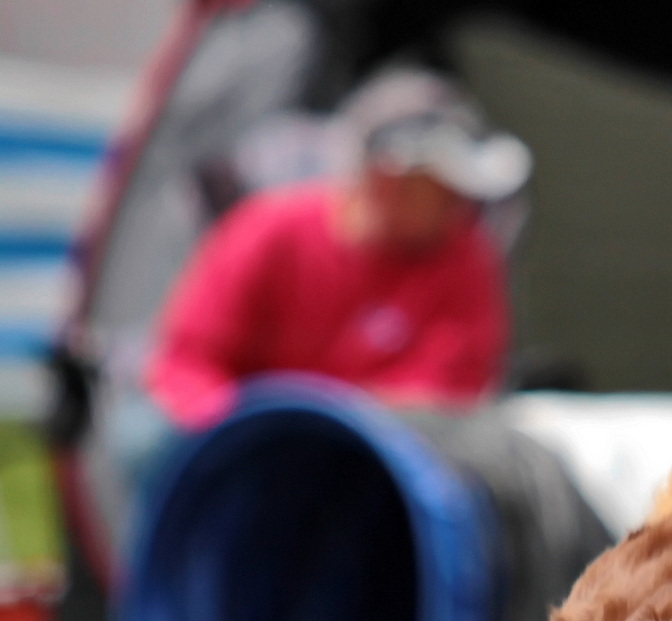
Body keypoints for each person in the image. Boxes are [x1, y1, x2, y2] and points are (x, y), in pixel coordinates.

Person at [141, 70, 526, 431]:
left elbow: (447, 391)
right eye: (442, 186)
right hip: (241, 441)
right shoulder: (269, 229)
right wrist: (243, 433)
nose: (459, 206)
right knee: (140, 434)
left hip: (373, 454)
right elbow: (189, 359)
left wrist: (338, 436)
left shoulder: (464, 257)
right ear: (386, 179)